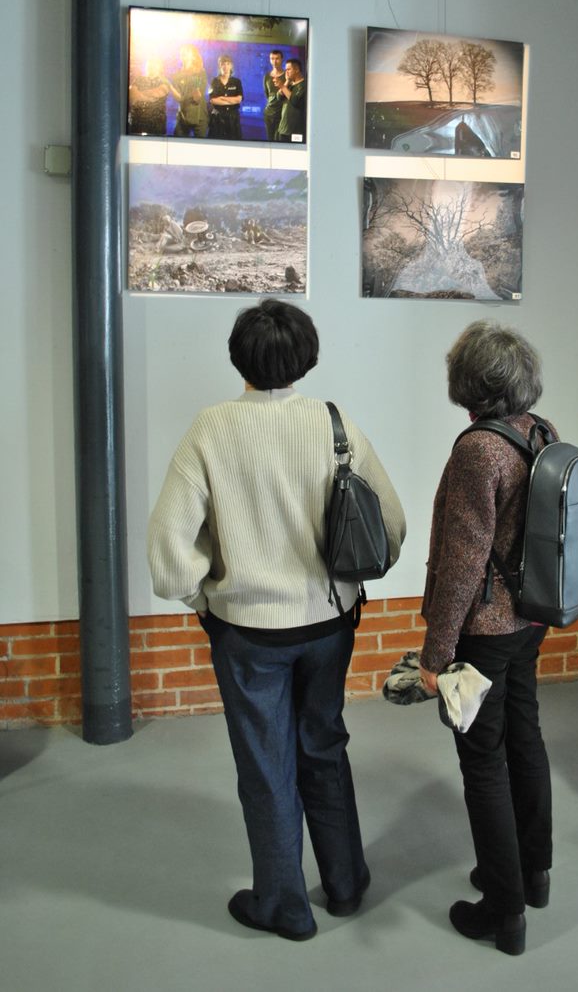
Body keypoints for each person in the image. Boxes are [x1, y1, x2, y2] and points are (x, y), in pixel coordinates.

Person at [147, 300, 406, 940]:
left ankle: (284, 905)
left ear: (238, 358)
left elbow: (168, 554)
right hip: (329, 625)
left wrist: (202, 601)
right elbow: (392, 527)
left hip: (246, 632)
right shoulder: (336, 424)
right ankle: (345, 884)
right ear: (306, 357)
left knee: (266, 765)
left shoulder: (210, 429)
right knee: (324, 744)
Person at [419, 321, 554, 958]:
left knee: (483, 762)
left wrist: (437, 652)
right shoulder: (539, 431)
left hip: (486, 631)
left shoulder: (479, 448)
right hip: (530, 620)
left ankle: (504, 912)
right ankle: (532, 872)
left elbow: (463, 559)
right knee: (525, 738)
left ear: (467, 382)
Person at [169, 44, 209, 138]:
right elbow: (179, 98)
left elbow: (197, 97)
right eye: (182, 52)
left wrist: (194, 93)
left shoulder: (200, 72)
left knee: (200, 144)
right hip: (183, 116)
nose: (184, 53)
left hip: (200, 117)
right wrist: (169, 86)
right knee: (178, 143)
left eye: (187, 51)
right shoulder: (177, 75)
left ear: (193, 56)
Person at [128, 56, 169, 135]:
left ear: (160, 67)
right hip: (138, 121)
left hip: (156, 123)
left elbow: (157, 93)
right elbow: (132, 94)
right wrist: (148, 97)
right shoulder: (139, 79)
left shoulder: (164, 81)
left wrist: (139, 93)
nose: (151, 66)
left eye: (154, 64)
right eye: (150, 64)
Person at [208, 54, 243, 141]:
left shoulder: (236, 82)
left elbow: (239, 99)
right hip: (217, 118)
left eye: (228, 64)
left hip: (233, 119)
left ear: (231, 66)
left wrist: (222, 98)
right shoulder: (214, 81)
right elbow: (213, 100)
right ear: (219, 65)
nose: (225, 67)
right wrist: (231, 100)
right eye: (223, 64)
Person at [278, 57, 307, 143]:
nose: (286, 72)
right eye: (285, 70)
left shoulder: (304, 85)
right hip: (283, 129)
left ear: (297, 70)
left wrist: (282, 86)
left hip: (295, 131)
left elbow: (295, 101)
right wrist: (287, 82)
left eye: (288, 69)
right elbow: (279, 97)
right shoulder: (289, 85)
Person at [263, 49, 285, 141]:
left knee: (280, 140)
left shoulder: (286, 75)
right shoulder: (267, 76)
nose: (274, 61)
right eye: (272, 59)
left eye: (277, 58)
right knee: (270, 140)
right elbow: (267, 95)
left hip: (282, 114)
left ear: (282, 59)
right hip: (269, 114)